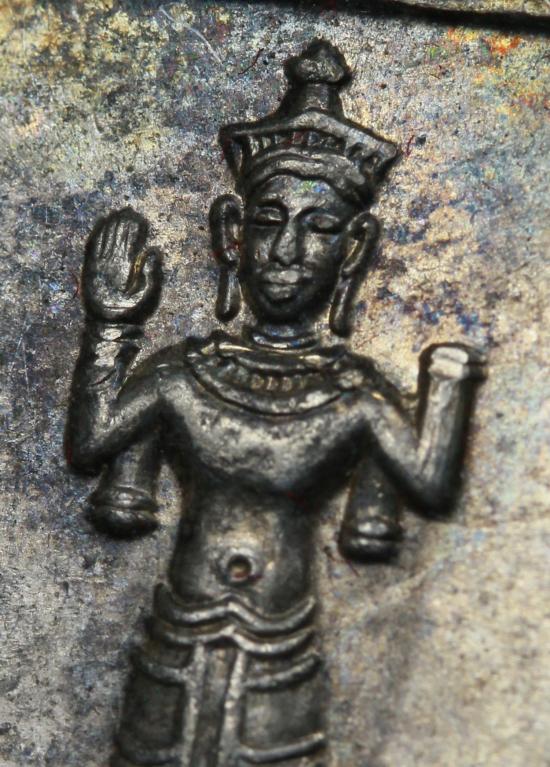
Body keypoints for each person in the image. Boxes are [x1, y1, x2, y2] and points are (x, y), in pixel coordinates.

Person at [67, 40, 484, 767]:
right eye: (269, 221)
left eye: (318, 227)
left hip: (280, 661)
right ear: (233, 234)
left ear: (353, 248)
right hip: (175, 650)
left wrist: (448, 385)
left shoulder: (351, 392)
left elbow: (427, 481)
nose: (287, 249)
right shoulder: (187, 372)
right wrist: (110, 326)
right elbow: (92, 442)